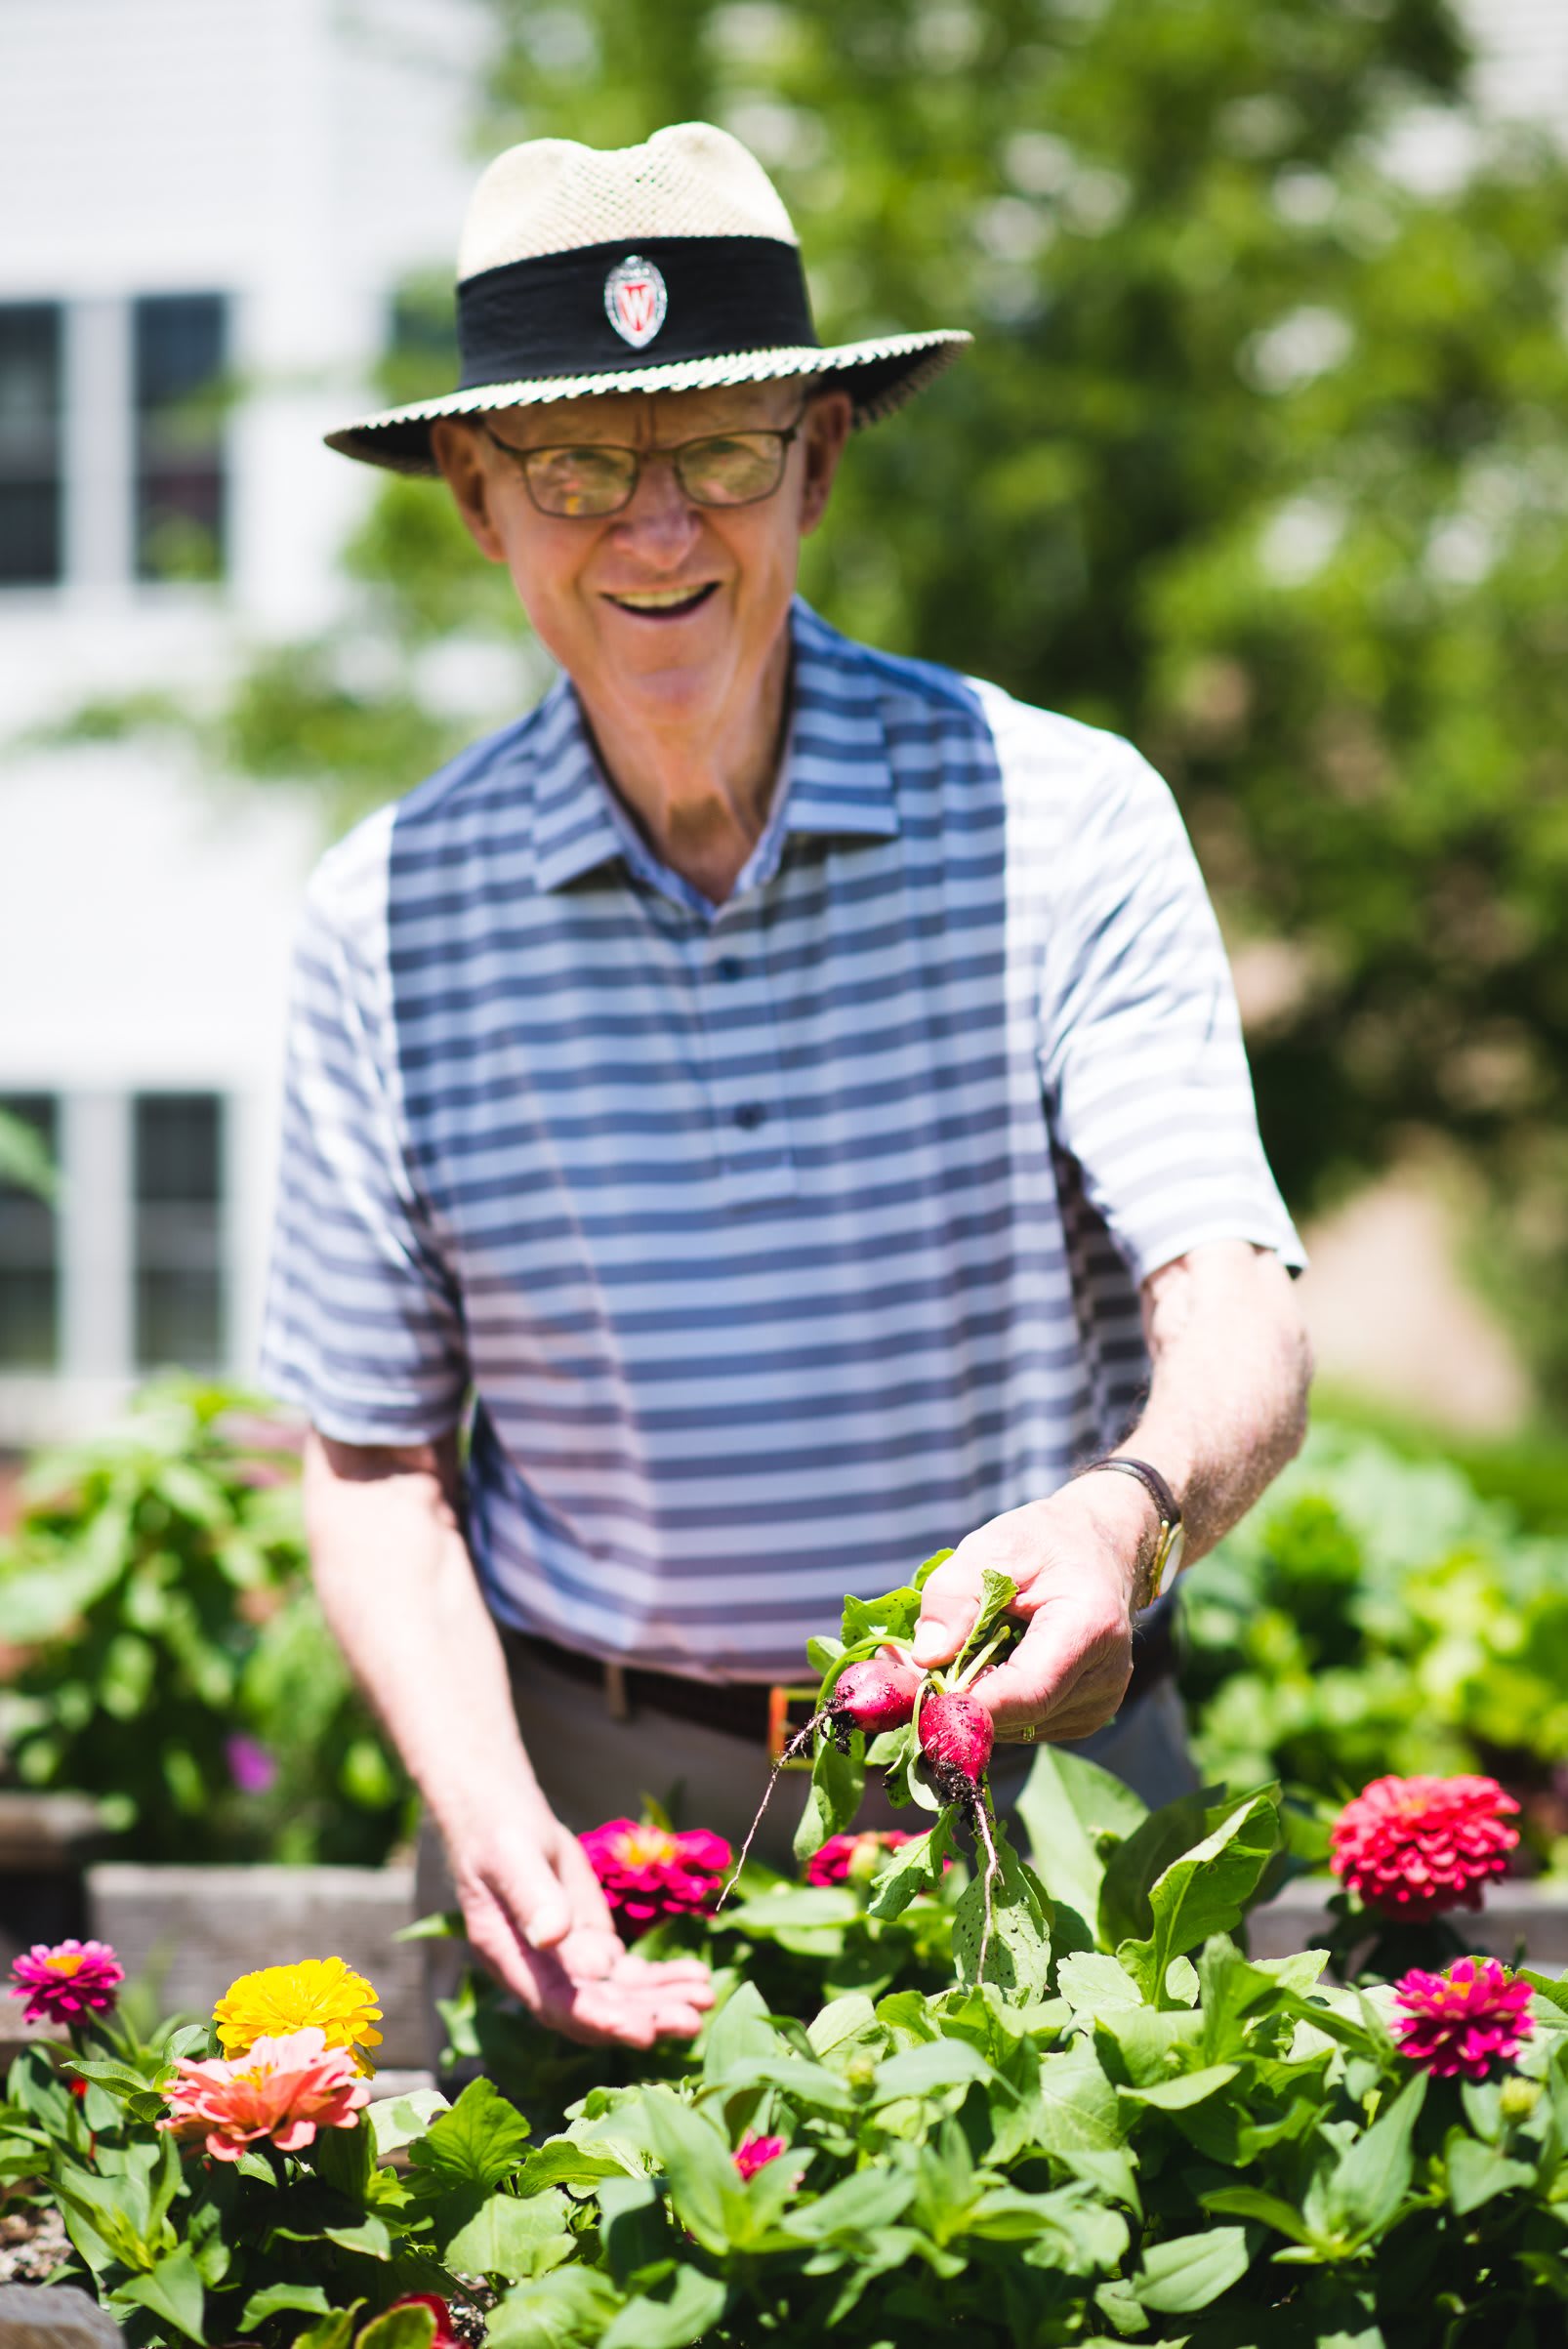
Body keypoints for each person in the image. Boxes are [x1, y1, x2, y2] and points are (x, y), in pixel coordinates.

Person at [260, 122, 1312, 2049]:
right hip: (586, 1821)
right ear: (477, 503)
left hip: (1029, 1790)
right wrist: (491, 1817)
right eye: (576, 466)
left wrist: (1120, 1523)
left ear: (815, 465)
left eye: (720, 452)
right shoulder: (381, 918)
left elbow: (1230, 1294)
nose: (654, 533)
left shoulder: (1056, 819)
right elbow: (370, 1467)